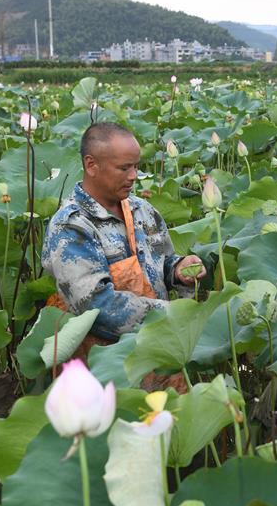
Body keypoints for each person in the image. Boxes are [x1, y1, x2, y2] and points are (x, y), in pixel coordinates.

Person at [41, 122, 206, 359]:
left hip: (160, 349)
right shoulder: (71, 226)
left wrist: (178, 269)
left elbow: (162, 263)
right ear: (91, 165)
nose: (133, 176)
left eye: (136, 167)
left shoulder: (142, 209)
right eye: (124, 168)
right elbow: (95, 305)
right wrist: (175, 314)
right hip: (105, 361)